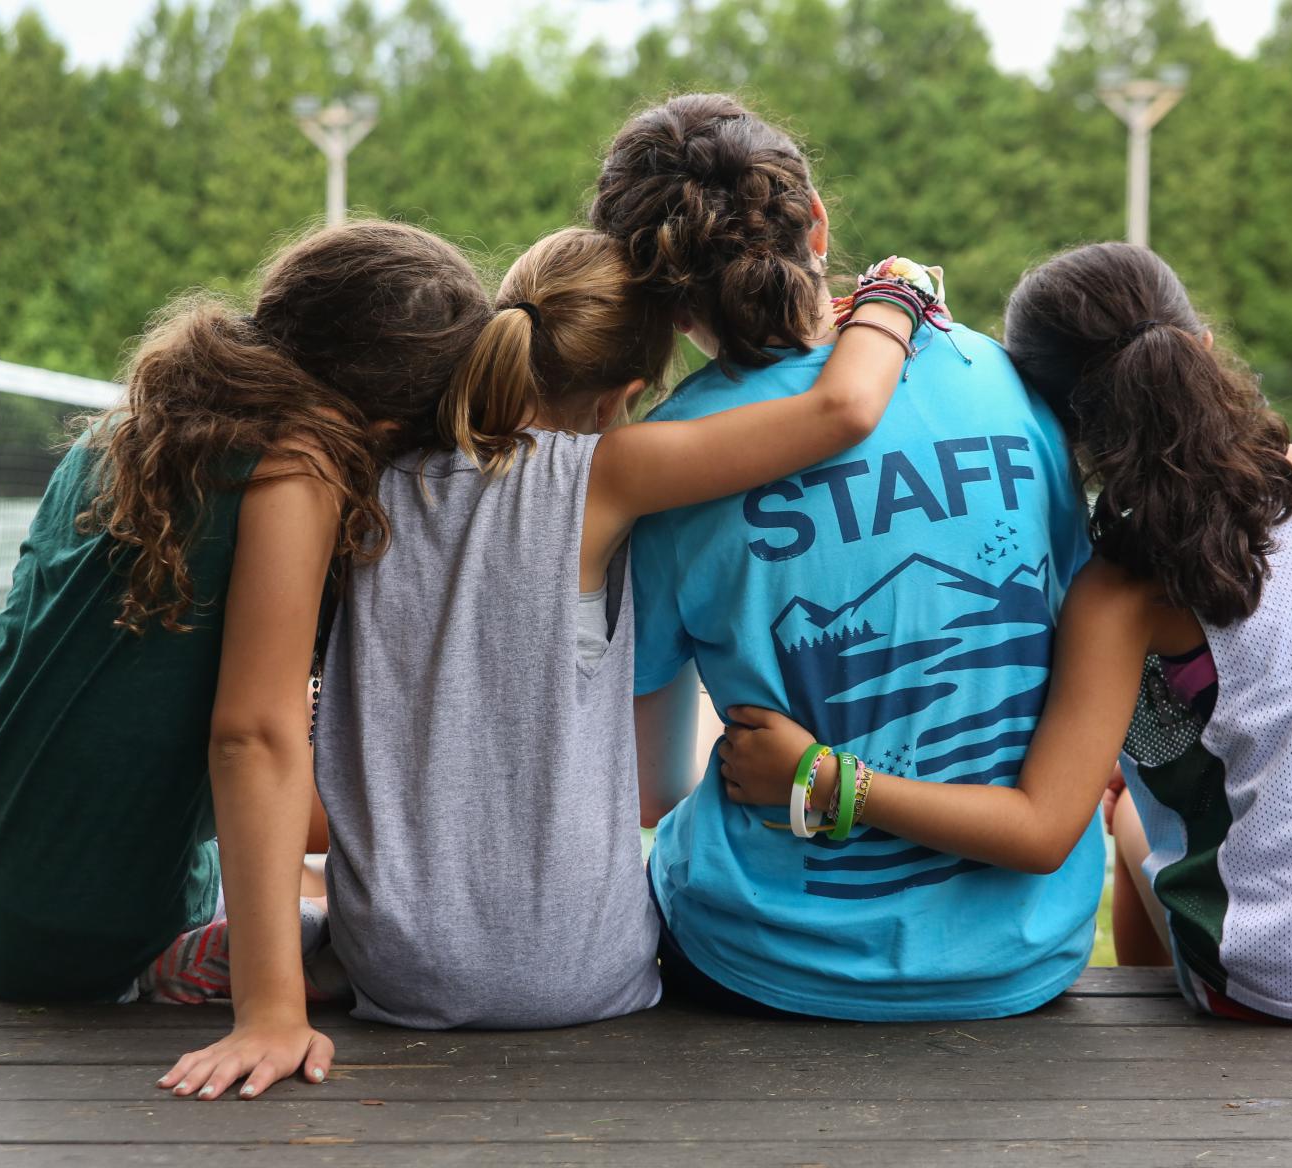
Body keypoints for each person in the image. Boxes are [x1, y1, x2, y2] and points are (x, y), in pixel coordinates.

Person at [722, 241, 1292, 1024]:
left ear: (1059, 427)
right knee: (1133, 794)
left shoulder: (1122, 591)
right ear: (1202, 344)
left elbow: (1042, 832)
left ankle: (1159, 1030)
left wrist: (826, 779)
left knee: (1123, 818)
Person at [0, 220, 492, 1101]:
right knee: (398, 944)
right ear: (382, 420)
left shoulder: (137, 425)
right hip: (71, 922)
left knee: (315, 852)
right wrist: (270, 1011)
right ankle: (185, 964)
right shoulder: (298, 465)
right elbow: (253, 738)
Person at [308, 227, 919, 1030]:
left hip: (395, 968)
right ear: (621, 396)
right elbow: (841, 410)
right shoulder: (607, 473)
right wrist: (897, 293)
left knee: (312, 889)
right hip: (587, 974)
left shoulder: (375, 478)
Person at [591, 94, 1102, 1021]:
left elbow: (651, 786)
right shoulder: (1001, 375)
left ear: (652, 295)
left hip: (764, 959)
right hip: (1027, 952)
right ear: (816, 224)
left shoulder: (663, 465)